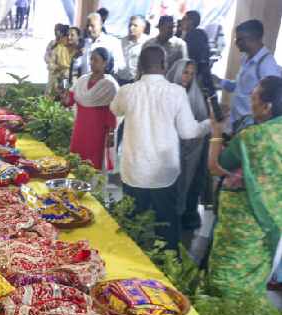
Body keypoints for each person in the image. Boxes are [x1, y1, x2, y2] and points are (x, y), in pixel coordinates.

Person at [109, 45, 211, 250]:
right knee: (166, 226)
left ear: (140, 66)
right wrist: (209, 124)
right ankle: (167, 269)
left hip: (134, 171)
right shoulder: (176, 92)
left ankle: (127, 266)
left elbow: (114, 109)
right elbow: (188, 132)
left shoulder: (127, 91)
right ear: (164, 65)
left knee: (131, 225)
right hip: (164, 173)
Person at [206, 76, 282, 295]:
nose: (250, 99)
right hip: (273, 222)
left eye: (254, 96)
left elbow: (216, 166)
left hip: (243, 222)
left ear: (267, 106)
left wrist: (216, 130)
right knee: (257, 271)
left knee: (228, 276)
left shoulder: (253, 137)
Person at [216, 20, 282, 134]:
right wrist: (220, 82)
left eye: (239, 39)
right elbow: (240, 87)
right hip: (236, 122)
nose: (236, 42)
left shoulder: (267, 65)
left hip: (249, 128)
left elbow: (273, 105)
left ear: (253, 38)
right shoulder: (245, 57)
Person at [167, 58, 210, 230]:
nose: (188, 77)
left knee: (182, 185)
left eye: (192, 74)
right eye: (185, 72)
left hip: (188, 151)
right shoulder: (166, 92)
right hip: (166, 149)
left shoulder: (195, 95)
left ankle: (175, 218)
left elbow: (201, 122)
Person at [65, 47, 119, 170]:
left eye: (95, 60)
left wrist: (111, 133)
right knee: (76, 160)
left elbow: (112, 111)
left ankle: (92, 188)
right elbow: (69, 101)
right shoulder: (82, 80)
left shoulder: (110, 85)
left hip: (97, 131)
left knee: (93, 164)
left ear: (105, 63)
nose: (91, 63)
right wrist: (64, 96)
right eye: (91, 59)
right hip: (80, 129)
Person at [116, 15, 149, 84]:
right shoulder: (122, 41)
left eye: (135, 25)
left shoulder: (147, 43)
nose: (131, 28)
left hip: (138, 81)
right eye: (130, 25)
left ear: (142, 28)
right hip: (121, 79)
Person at [46, 25, 73, 96]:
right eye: (55, 30)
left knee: (64, 92)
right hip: (53, 75)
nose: (56, 32)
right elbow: (47, 58)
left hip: (64, 75)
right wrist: (54, 66)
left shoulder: (67, 46)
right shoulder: (52, 43)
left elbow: (66, 69)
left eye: (58, 31)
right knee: (50, 94)